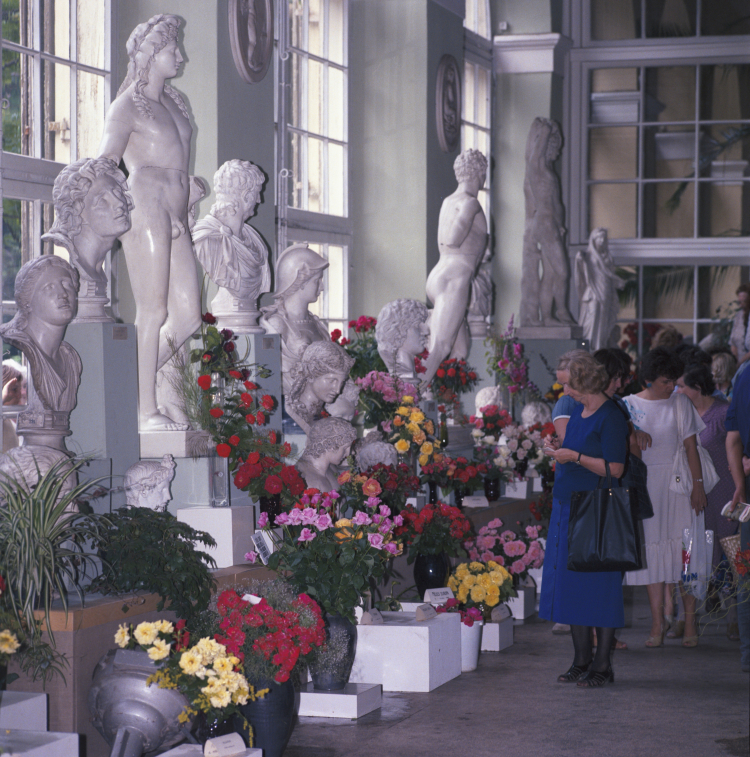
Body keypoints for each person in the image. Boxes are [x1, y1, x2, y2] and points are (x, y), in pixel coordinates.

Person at [98, 14, 201, 432]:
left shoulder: (177, 102)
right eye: (170, 49)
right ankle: (145, 410)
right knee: (154, 310)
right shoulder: (125, 106)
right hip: (147, 201)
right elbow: (105, 160)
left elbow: (181, 154)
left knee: (189, 316)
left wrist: (190, 189)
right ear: (148, 54)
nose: (179, 55)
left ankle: (138, 385)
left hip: (176, 207)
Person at [539, 352, 629, 686]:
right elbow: (576, 450)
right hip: (568, 507)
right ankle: (581, 660)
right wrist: (557, 447)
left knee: (600, 589)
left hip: (598, 510)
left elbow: (615, 468)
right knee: (572, 588)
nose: (564, 390)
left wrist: (573, 455)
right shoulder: (578, 410)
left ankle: (602, 666)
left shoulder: (611, 416)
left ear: (584, 380)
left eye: (567, 383)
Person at [622, 348, 707, 648]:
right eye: (664, 382)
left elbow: (691, 448)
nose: (671, 387)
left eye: (673, 381)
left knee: (687, 555)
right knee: (652, 556)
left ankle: (690, 621)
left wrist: (698, 486)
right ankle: (657, 623)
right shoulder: (627, 405)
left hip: (679, 487)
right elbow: (620, 442)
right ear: (647, 379)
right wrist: (633, 433)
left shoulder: (680, 402)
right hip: (646, 488)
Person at [676, 362, 738, 638]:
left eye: (682, 386)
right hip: (692, 498)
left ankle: (735, 616)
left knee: (732, 557)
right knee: (689, 557)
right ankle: (684, 617)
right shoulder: (680, 412)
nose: (677, 390)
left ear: (697, 388)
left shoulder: (723, 413)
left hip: (723, 496)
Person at [0, 256, 82, 451]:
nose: (63, 293)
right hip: (35, 461)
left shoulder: (71, 358)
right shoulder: (24, 342)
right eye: (49, 288)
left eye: (67, 284)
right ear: (27, 301)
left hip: (58, 456)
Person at [422, 149, 488, 387]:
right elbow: (452, 238)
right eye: (484, 172)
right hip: (455, 278)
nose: (484, 178)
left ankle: (441, 402)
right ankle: (410, 400)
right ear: (478, 173)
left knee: (461, 348)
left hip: (440, 274)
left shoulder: (449, 201)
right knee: (440, 347)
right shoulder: (470, 204)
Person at [42, 157, 133, 322]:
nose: (120, 203)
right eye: (102, 200)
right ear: (77, 211)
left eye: (118, 193)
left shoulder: (98, 268)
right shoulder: (79, 271)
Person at [192, 159, 270, 332]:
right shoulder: (206, 237)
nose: (259, 200)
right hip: (230, 319)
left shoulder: (255, 240)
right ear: (245, 196)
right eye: (257, 193)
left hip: (247, 316)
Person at [520, 117, 574, 327]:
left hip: (553, 225)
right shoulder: (538, 169)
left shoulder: (549, 172)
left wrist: (560, 225)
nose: (558, 152)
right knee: (562, 272)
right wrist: (544, 132)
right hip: (544, 223)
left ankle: (548, 317)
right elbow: (535, 158)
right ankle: (560, 312)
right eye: (556, 147)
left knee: (551, 274)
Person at [260, 243, 330, 394]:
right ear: (300, 282)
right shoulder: (276, 325)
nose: (322, 287)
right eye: (317, 280)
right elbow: (267, 376)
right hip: (287, 411)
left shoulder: (317, 324)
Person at [724, 362, 750, 672]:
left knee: (746, 574)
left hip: (748, 495)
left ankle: (748, 654)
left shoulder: (744, 374)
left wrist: (740, 485)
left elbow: (732, 440)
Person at [286, 340, 355, 433]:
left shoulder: (328, 416)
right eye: (332, 381)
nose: (338, 390)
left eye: (342, 382)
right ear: (311, 375)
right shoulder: (288, 414)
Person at [575, 228, 625, 351]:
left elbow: (609, 274)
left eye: (604, 238)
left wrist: (617, 281)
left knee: (604, 320)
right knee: (592, 319)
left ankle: (600, 346)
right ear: (593, 240)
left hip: (606, 291)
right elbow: (581, 270)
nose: (602, 241)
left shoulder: (608, 257)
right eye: (599, 238)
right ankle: (588, 347)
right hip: (593, 292)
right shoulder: (587, 256)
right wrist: (579, 259)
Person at [296, 417, 357, 492]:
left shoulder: (331, 469)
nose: (349, 453)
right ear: (330, 446)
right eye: (345, 448)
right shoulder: (303, 476)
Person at [375, 299, 430, 379]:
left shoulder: (408, 371)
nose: (426, 332)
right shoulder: (402, 373)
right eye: (417, 325)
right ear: (398, 331)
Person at [551, 349, 588, 443]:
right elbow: (567, 448)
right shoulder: (567, 403)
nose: (565, 392)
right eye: (563, 385)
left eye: (569, 384)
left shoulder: (606, 403)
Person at [729, 283, 750, 374]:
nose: (741, 305)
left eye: (744, 302)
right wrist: (735, 361)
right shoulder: (739, 316)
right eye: (739, 302)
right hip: (738, 365)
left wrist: (741, 363)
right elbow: (733, 341)